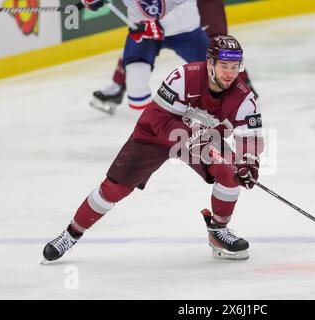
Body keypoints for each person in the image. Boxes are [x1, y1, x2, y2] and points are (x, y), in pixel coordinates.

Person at [42, 35, 264, 262]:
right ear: (210, 63)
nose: (229, 73)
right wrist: (187, 138)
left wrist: (248, 164)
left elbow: (250, 139)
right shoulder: (184, 77)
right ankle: (71, 234)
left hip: (203, 141)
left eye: (234, 67)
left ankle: (218, 232)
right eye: (224, 66)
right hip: (154, 136)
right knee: (113, 189)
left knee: (231, 172)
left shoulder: (244, 99)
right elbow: (159, 119)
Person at [91, 0, 258, 114]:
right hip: (156, 16)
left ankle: (239, 84)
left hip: (189, 17)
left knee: (215, 41)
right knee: (140, 41)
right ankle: (120, 83)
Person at [83, 0, 209, 114]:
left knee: (219, 72)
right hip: (144, 33)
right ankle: (150, 126)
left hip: (184, 30)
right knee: (136, 82)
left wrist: (152, 23)